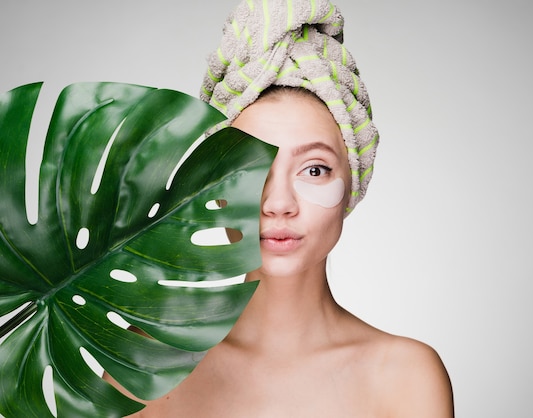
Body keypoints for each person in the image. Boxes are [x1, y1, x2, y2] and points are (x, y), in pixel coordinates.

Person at [117, 0, 454, 416]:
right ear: (213, 184)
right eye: (251, 167)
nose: (278, 204)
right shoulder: (136, 365)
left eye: (313, 169)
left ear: (352, 182)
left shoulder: (407, 377)